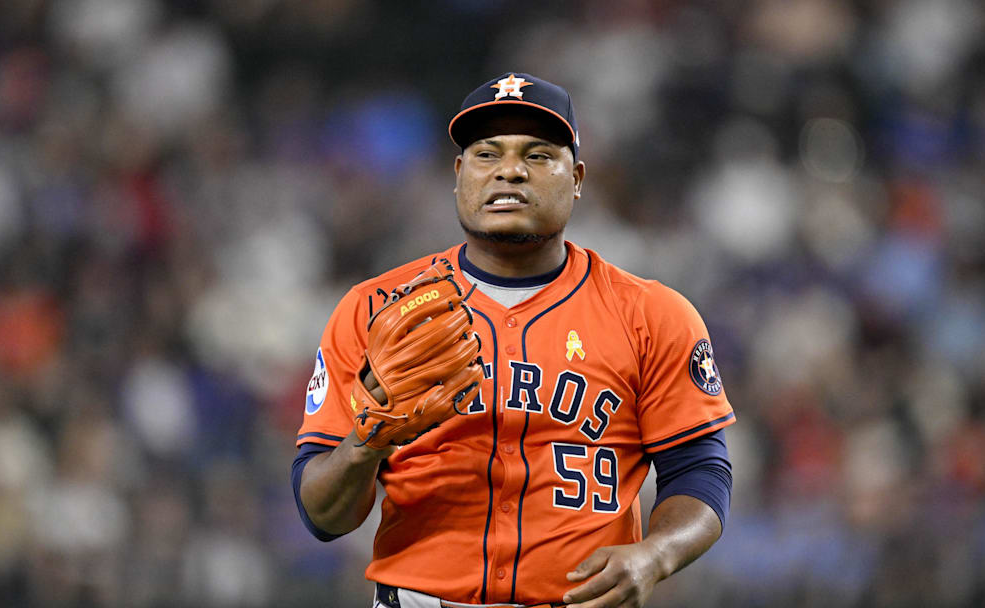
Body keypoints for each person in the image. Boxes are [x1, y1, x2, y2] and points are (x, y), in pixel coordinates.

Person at [292, 72, 735, 608]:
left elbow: (701, 470)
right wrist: (366, 444)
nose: (510, 170)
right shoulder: (374, 309)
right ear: (459, 175)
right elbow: (321, 517)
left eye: (540, 154)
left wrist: (657, 554)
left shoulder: (652, 314)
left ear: (577, 178)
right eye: (486, 154)